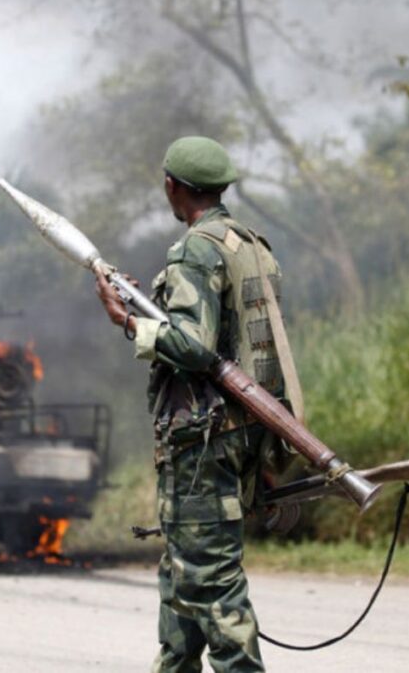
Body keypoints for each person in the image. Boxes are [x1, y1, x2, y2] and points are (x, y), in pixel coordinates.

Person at [95, 136, 293, 672]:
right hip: (245, 432)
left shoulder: (194, 250)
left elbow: (196, 347)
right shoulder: (251, 244)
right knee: (182, 580)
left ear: (172, 187)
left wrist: (129, 321)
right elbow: (251, 346)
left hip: (204, 445)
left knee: (212, 584)